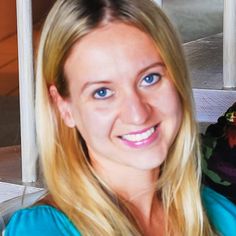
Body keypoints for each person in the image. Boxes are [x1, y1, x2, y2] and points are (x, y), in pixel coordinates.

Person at [4, 0, 223, 235]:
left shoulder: (218, 214)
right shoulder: (43, 230)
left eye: (149, 78)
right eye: (102, 92)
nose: (137, 114)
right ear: (63, 106)